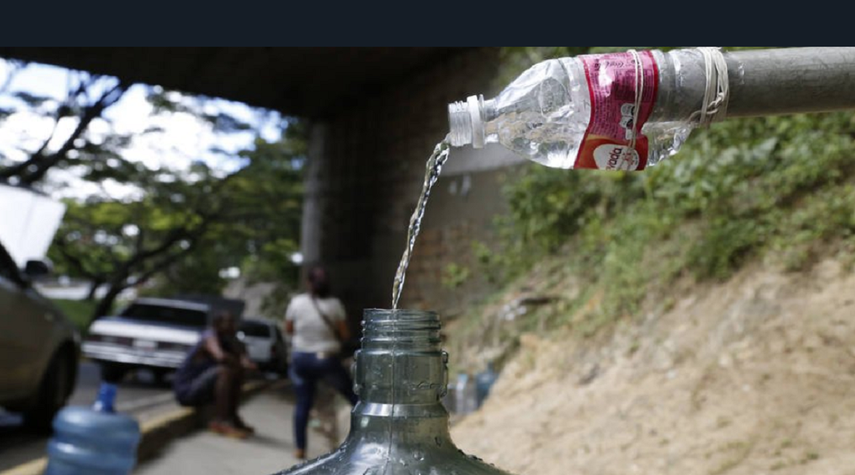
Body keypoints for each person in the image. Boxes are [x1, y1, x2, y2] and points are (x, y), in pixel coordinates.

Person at [285, 266, 359, 459]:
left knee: (303, 403)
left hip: (301, 358)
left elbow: (289, 329)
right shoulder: (334, 305)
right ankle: (369, 433)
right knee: (353, 396)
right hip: (326, 359)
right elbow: (345, 334)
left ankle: (300, 448)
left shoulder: (296, 302)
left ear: (308, 283)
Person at [173, 310, 257, 439]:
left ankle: (232, 416)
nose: (232, 326)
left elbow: (244, 358)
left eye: (233, 323)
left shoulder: (228, 340)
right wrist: (240, 363)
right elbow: (220, 356)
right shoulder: (210, 336)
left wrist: (243, 360)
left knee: (237, 372)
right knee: (224, 371)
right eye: (229, 323)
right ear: (217, 324)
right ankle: (220, 420)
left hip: (203, 392)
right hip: (188, 390)